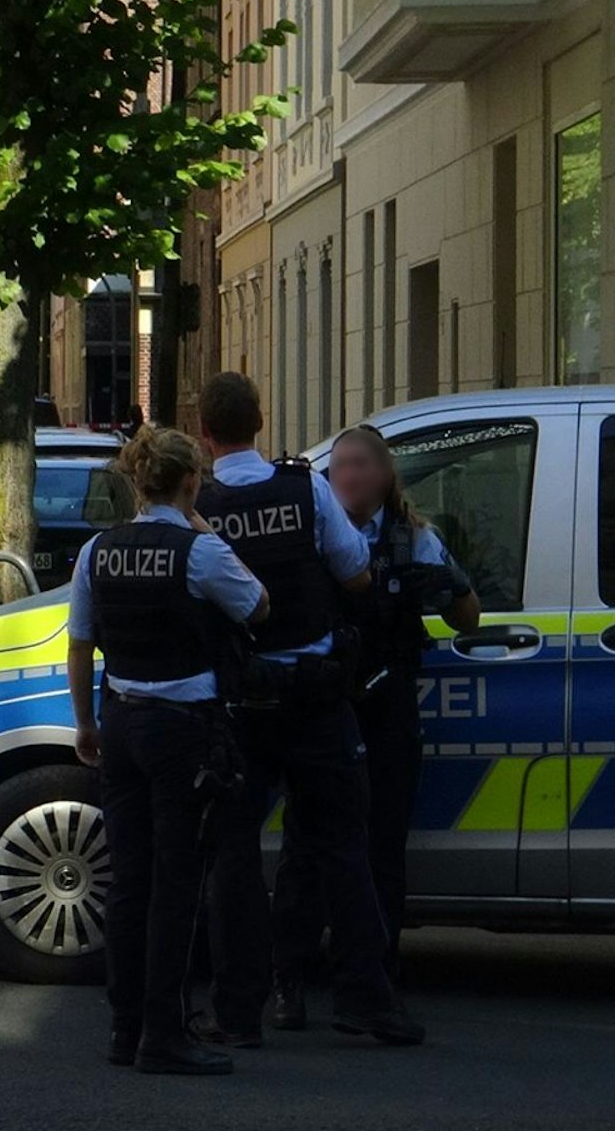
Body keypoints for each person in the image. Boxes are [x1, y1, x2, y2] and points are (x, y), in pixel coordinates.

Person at [193, 373, 425, 1047]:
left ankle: (237, 1013)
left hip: (238, 706)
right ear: (261, 420)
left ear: (206, 433)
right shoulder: (305, 488)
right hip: (318, 699)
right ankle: (367, 999)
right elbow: (355, 572)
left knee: (234, 859)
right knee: (345, 849)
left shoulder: (200, 506)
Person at [68, 426, 269, 1076]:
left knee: (128, 881)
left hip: (119, 720)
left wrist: (86, 726)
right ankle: (164, 1031)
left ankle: (124, 1027)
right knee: (175, 884)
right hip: (182, 728)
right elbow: (259, 606)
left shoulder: (97, 550)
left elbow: (80, 642)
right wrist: (200, 526)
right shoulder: (199, 552)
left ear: (135, 480)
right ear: (190, 483)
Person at [268, 424, 481, 1025]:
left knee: (383, 849)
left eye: (361, 465)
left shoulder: (415, 539)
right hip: (324, 709)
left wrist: (450, 586)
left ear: (387, 476)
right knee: (304, 848)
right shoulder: (308, 536)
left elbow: (469, 619)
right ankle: (289, 982)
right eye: (339, 467)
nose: (349, 476)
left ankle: (374, 980)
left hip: (387, 707)